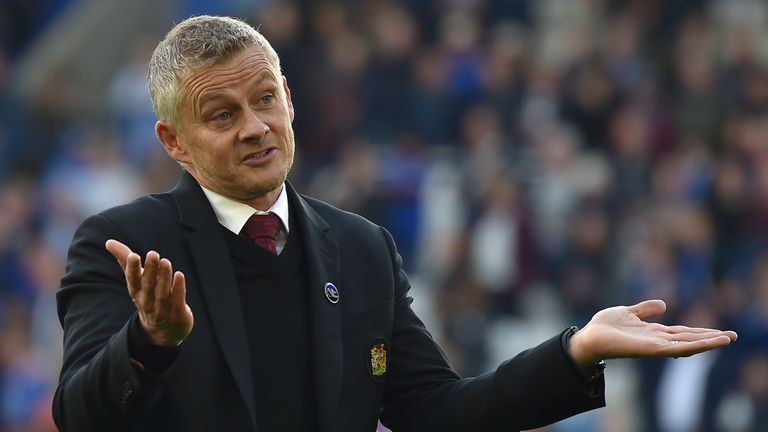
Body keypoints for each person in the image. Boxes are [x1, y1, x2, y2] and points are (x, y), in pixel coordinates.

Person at [53, 15, 737, 432]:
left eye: (265, 99)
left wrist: (575, 351)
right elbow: (79, 416)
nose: (256, 127)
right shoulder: (126, 246)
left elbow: (438, 413)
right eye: (222, 114)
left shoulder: (360, 248)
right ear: (173, 142)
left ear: (289, 99)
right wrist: (148, 342)